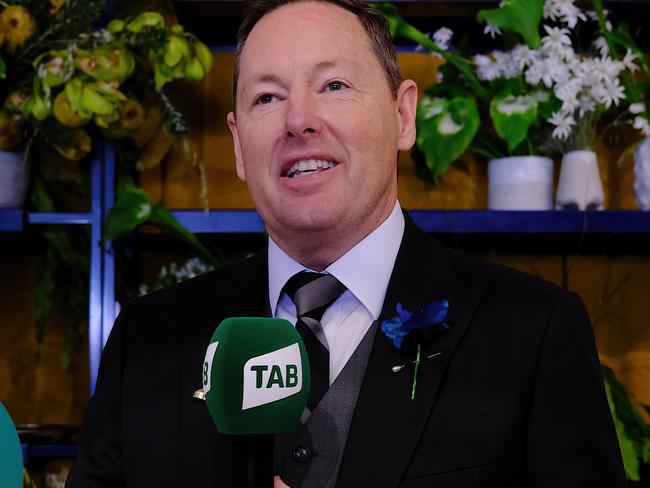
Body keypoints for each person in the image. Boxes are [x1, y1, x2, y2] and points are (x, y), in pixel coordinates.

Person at [67, 1, 626, 486]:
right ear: (238, 146)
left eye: (333, 85)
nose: (298, 120)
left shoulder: (533, 330)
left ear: (403, 116)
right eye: (267, 97)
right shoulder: (149, 339)